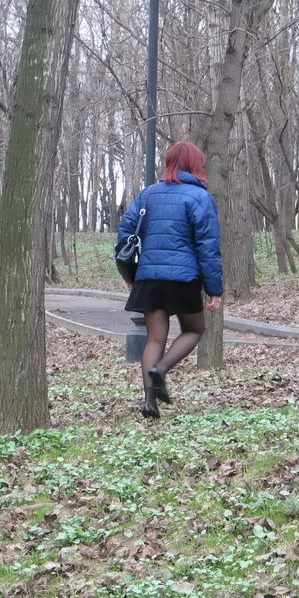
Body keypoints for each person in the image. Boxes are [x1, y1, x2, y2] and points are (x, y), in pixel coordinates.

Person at [115, 141, 223, 418]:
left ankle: (150, 402)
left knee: (155, 339)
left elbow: (125, 236)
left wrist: (130, 276)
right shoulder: (199, 197)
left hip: (149, 277)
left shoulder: (148, 194)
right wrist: (215, 289)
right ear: (196, 164)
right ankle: (160, 370)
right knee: (194, 330)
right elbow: (207, 246)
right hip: (183, 277)